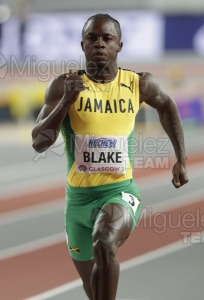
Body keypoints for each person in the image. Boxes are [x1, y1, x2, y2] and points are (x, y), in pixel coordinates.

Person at [32, 13, 188, 300]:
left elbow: (167, 106)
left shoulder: (139, 84)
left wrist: (181, 158)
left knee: (104, 244)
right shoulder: (64, 86)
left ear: (120, 46)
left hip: (119, 193)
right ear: (82, 45)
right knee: (93, 289)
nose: (100, 44)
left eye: (107, 38)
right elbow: (39, 143)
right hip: (77, 202)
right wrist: (66, 102)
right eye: (92, 38)